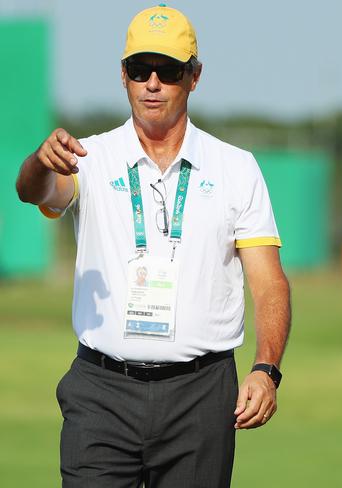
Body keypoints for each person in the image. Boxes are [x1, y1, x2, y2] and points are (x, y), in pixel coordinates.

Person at [15, 5, 290, 487]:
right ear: (123, 76)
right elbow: (33, 191)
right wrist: (40, 161)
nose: (153, 83)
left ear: (195, 76)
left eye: (170, 69)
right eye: (140, 69)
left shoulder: (237, 167)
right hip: (102, 390)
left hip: (201, 393)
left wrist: (267, 368)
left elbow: (268, 282)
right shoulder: (86, 156)